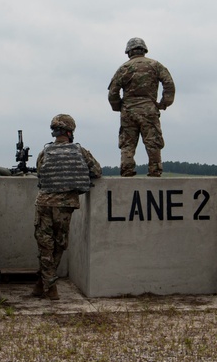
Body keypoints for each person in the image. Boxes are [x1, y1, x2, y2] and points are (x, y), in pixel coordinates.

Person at [33, 114, 102, 300]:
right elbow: (96, 171)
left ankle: (45, 284)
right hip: (65, 206)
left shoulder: (45, 152)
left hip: (44, 203)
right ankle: (49, 286)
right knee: (58, 245)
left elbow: (40, 173)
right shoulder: (80, 152)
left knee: (45, 245)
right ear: (70, 132)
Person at [107, 37, 175, 177]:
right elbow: (169, 84)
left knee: (127, 144)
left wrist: (118, 106)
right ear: (144, 50)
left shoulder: (124, 68)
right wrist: (164, 103)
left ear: (129, 52)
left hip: (128, 111)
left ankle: (127, 171)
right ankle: (155, 172)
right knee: (153, 142)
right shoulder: (155, 65)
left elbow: (113, 92)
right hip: (149, 110)